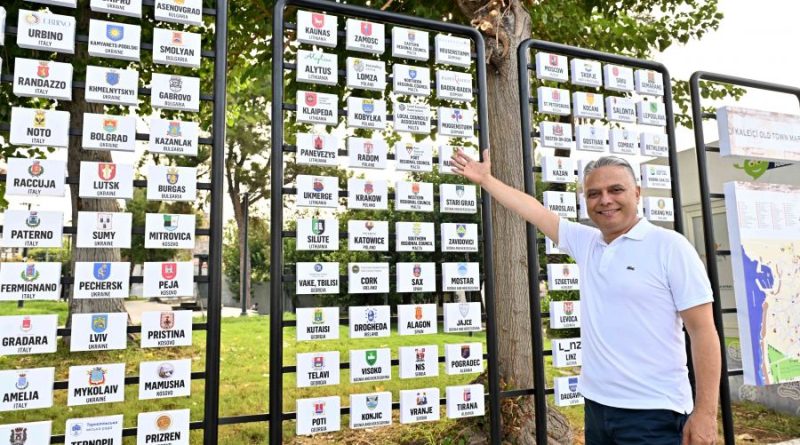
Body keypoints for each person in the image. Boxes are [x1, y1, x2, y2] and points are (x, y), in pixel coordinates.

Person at [450, 150, 721, 445]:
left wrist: (706, 414)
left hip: (653, 413)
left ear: (637, 193)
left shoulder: (670, 247)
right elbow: (535, 211)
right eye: (594, 193)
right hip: (596, 407)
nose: (605, 200)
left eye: (616, 190)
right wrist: (486, 180)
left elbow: (703, 331)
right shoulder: (587, 242)